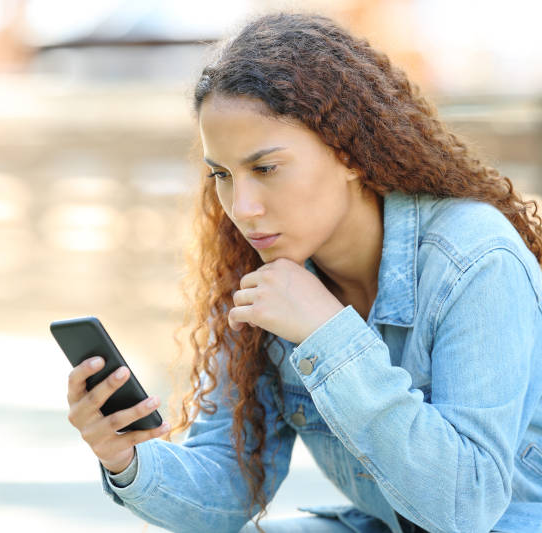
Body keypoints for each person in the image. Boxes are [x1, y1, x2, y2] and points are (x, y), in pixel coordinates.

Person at [64, 11, 542, 533]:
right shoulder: (266, 276)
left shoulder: (473, 260)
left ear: (351, 152)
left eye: (265, 168)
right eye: (222, 175)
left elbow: (466, 508)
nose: (241, 207)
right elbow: (228, 487)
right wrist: (125, 459)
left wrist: (327, 335)